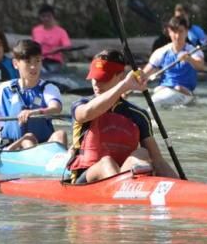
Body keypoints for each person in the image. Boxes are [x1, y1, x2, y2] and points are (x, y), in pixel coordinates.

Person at [66, 49, 177, 183]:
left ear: (120, 76)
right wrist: (124, 86)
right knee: (106, 162)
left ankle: (124, 190)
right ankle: (121, 190)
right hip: (85, 180)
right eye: (94, 77)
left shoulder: (138, 115)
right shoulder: (80, 105)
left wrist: (183, 187)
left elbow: (158, 161)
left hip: (122, 178)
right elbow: (86, 114)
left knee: (143, 153)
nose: (96, 83)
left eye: (103, 78)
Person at [143, 15, 204, 101]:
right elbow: (146, 73)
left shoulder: (193, 51)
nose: (177, 36)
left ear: (186, 32)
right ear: (169, 32)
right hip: (163, 88)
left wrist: (189, 59)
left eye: (180, 31)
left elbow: (200, 66)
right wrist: (140, 77)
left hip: (184, 91)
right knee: (158, 89)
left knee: (179, 88)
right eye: (174, 32)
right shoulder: (161, 52)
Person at [31, 4, 72, 70]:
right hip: (39, 60)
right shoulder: (36, 30)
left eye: (49, 16)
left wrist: (58, 49)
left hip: (54, 61)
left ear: (53, 17)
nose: (46, 19)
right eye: (43, 16)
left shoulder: (61, 31)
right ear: (40, 17)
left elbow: (68, 46)